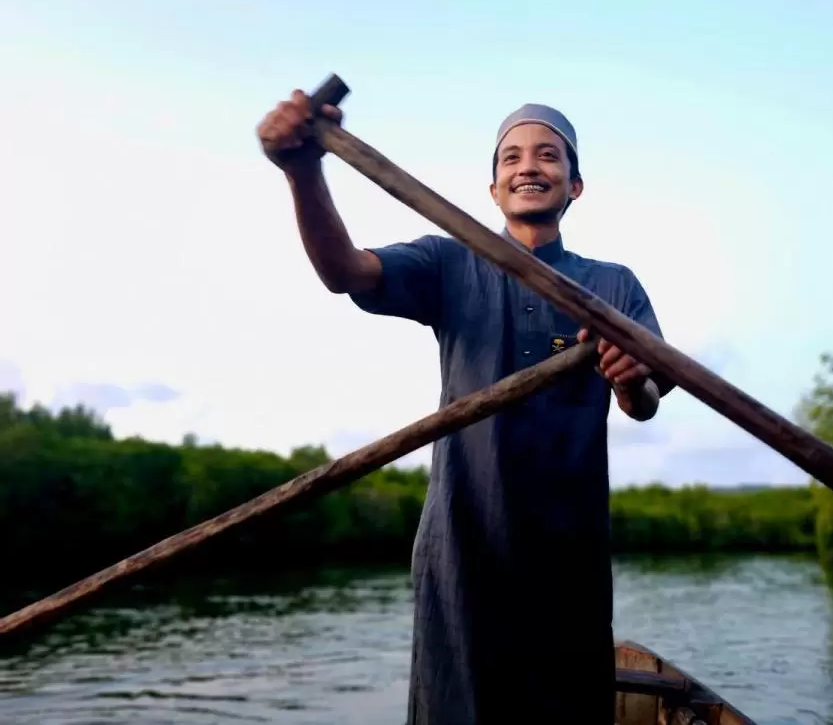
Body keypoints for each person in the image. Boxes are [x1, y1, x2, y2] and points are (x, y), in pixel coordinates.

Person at [257, 91, 673, 725]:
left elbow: (645, 403)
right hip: (462, 548)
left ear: (576, 184)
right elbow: (346, 272)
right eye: (511, 157)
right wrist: (302, 170)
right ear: (494, 188)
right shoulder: (449, 260)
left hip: (569, 556)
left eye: (547, 155)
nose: (527, 166)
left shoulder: (613, 284)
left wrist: (627, 378)